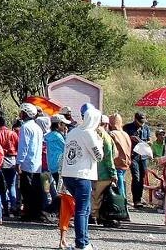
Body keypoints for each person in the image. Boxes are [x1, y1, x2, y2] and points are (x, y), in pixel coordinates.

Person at [61, 106, 104, 250]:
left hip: (68, 175)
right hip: (82, 175)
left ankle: (84, 241)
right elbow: (99, 156)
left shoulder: (74, 131)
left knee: (83, 209)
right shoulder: (89, 134)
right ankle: (82, 243)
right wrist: (100, 142)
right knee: (82, 210)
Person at [17, 102, 50, 223]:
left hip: (27, 163)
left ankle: (30, 213)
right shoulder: (37, 127)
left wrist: (19, 162)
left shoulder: (25, 127)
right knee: (36, 189)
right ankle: (36, 212)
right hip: (37, 163)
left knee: (27, 190)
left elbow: (23, 146)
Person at [91, 115, 119, 228]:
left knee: (94, 196)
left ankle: (94, 216)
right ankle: (95, 217)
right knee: (99, 197)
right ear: (107, 124)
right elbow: (108, 157)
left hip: (92, 171)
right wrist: (113, 173)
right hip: (104, 173)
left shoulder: (91, 134)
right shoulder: (105, 136)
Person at [0, 114, 19, 217]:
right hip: (12, 160)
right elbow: (17, 146)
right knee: (12, 185)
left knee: (1, 187)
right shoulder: (12, 133)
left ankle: (5, 209)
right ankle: (14, 206)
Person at [123, 111, 151, 208]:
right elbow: (124, 140)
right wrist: (131, 138)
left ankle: (139, 197)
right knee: (136, 177)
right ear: (135, 119)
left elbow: (149, 140)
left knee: (143, 176)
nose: (142, 123)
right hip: (133, 155)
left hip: (143, 156)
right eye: (140, 121)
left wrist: (146, 143)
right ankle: (136, 200)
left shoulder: (146, 128)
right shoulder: (127, 127)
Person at [108, 114, 132, 201]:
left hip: (117, 162)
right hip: (126, 162)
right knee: (122, 181)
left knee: (119, 184)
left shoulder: (112, 134)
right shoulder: (125, 134)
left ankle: (122, 202)